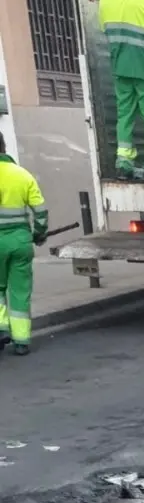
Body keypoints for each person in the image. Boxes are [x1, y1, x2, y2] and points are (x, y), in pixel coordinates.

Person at [99, 0, 144, 181]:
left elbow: (104, 28)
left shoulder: (105, 4)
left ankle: (124, 164)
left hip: (121, 69)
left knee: (125, 115)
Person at [0, 131, 48, 356]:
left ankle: (1, 329)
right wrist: (39, 234)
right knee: (20, 291)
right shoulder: (22, 175)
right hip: (20, 241)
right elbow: (40, 211)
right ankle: (21, 341)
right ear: (4, 147)